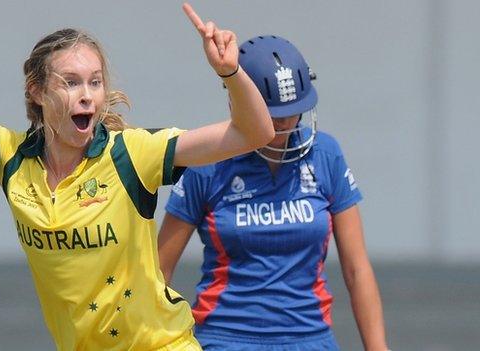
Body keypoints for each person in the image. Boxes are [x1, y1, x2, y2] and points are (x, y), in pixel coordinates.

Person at [0, 1, 276, 350]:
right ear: (37, 91)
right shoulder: (10, 158)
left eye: (95, 82)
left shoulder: (132, 154)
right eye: (71, 82)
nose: (87, 96)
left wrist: (230, 71)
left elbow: (254, 133)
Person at [158, 35, 389, 351]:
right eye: (271, 113)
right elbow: (160, 270)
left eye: (293, 111)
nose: (283, 123)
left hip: (311, 339)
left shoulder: (326, 154)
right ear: (238, 100)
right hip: (225, 339)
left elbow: (356, 268)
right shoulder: (207, 159)